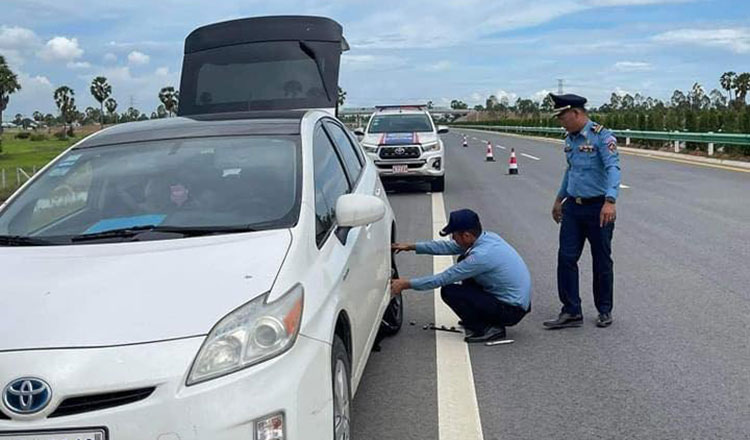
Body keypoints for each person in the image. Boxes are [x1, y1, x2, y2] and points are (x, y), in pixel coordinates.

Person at [391, 209, 531, 343]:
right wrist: (411, 246)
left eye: (454, 235)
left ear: (466, 236)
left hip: (511, 310)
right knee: (462, 259)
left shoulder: (481, 256)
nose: (453, 238)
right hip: (515, 302)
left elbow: (443, 278)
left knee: (449, 291)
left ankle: (488, 328)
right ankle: (480, 317)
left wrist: (405, 284)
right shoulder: (488, 238)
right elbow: (447, 247)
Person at [544, 93, 621, 329]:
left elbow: (613, 168)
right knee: (566, 258)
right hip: (573, 209)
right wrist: (559, 199)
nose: (560, 121)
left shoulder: (602, 137)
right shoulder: (570, 139)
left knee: (601, 261)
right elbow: (571, 171)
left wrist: (610, 200)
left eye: (563, 116)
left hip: (599, 208)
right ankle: (571, 310)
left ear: (576, 113)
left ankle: (604, 310)